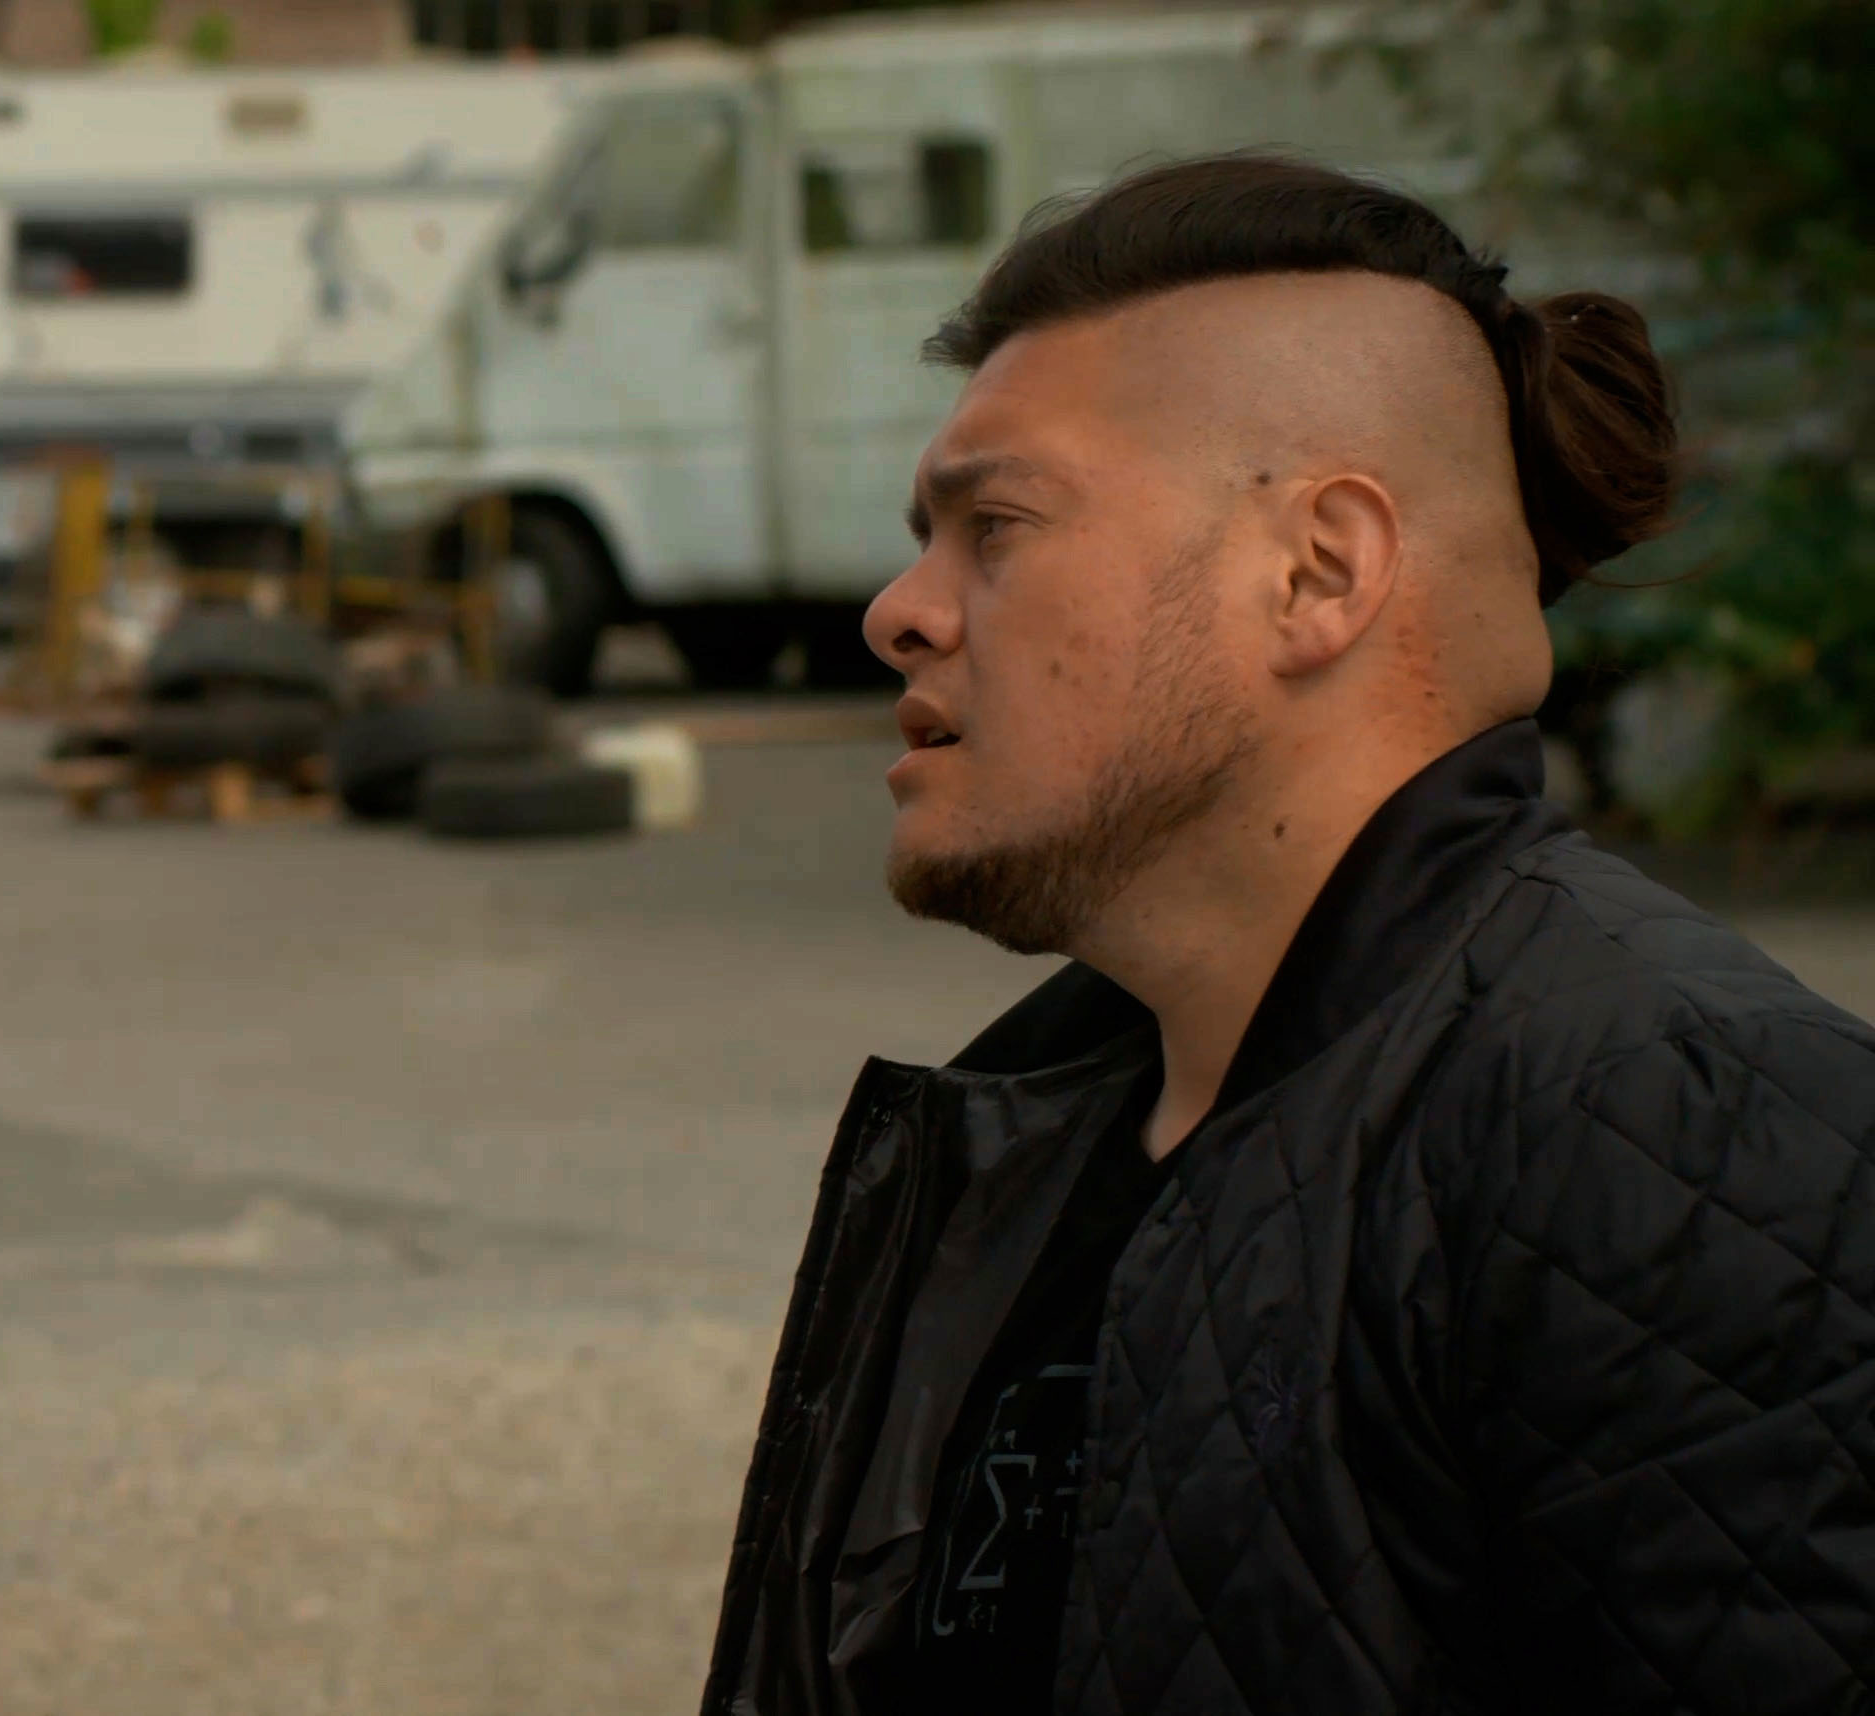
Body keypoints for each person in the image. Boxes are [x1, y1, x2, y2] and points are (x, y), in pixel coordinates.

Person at [702, 153, 1875, 1715]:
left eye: (998, 525)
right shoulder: (1040, 1126)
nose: (897, 611)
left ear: (1319, 572)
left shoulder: (1677, 1125)